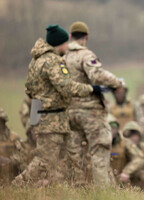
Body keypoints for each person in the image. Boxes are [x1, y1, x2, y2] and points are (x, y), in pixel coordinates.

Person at [12, 24, 102, 186]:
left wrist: (39, 111)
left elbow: (29, 90)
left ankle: (79, 188)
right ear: (59, 44)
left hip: (51, 118)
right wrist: (91, 89)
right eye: (66, 43)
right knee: (44, 161)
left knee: (73, 156)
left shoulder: (35, 61)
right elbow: (66, 87)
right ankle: (18, 185)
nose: (68, 46)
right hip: (52, 120)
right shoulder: (53, 62)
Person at [64, 21, 123, 186]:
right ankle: (102, 192)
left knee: (75, 157)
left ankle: (75, 193)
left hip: (69, 113)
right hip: (90, 113)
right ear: (86, 37)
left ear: (70, 36)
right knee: (99, 151)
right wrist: (117, 82)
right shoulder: (85, 55)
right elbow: (96, 75)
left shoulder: (62, 57)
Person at [108, 115, 144, 185]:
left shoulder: (125, 142)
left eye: (114, 128)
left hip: (119, 181)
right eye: (110, 128)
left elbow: (139, 157)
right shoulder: (94, 143)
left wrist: (126, 172)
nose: (112, 131)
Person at [0, 108, 20, 183]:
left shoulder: (14, 138)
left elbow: (23, 156)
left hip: (12, 176)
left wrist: (11, 160)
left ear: (3, 121)